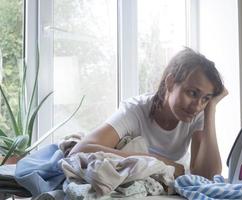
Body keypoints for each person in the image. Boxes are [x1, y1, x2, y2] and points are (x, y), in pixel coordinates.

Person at [70, 47, 228, 179]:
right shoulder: (135, 110)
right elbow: (79, 150)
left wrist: (211, 109)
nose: (197, 106)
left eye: (206, 98)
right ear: (171, 82)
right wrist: (154, 160)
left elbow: (209, 176)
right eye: (192, 93)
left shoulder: (198, 113)